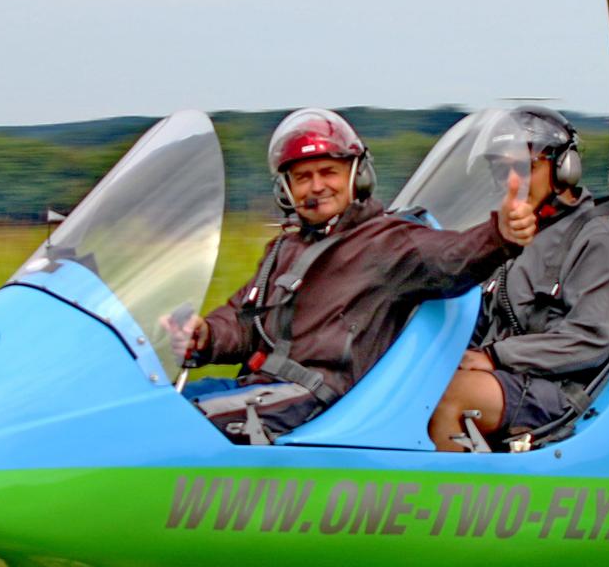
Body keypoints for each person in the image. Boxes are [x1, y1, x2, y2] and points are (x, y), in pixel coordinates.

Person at [170, 108, 536, 441]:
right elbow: (245, 322)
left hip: (315, 399)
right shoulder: (284, 249)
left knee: (180, 422)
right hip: (263, 387)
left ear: (357, 176)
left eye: (329, 172)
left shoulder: (389, 242)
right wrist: (204, 336)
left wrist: (499, 236)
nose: (316, 186)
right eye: (303, 177)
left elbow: (452, 258)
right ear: (286, 189)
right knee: (157, 406)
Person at [428, 106, 609, 451]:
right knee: (415, 386)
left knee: (443, 398)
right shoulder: (514, 235)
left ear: (564, 169)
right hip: (505, 377)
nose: (511, 181)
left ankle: (446, 485)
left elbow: (590, 340)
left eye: (524, 166)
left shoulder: (595, 242)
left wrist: (496, 356)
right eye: (501, 171)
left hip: (558, 391)